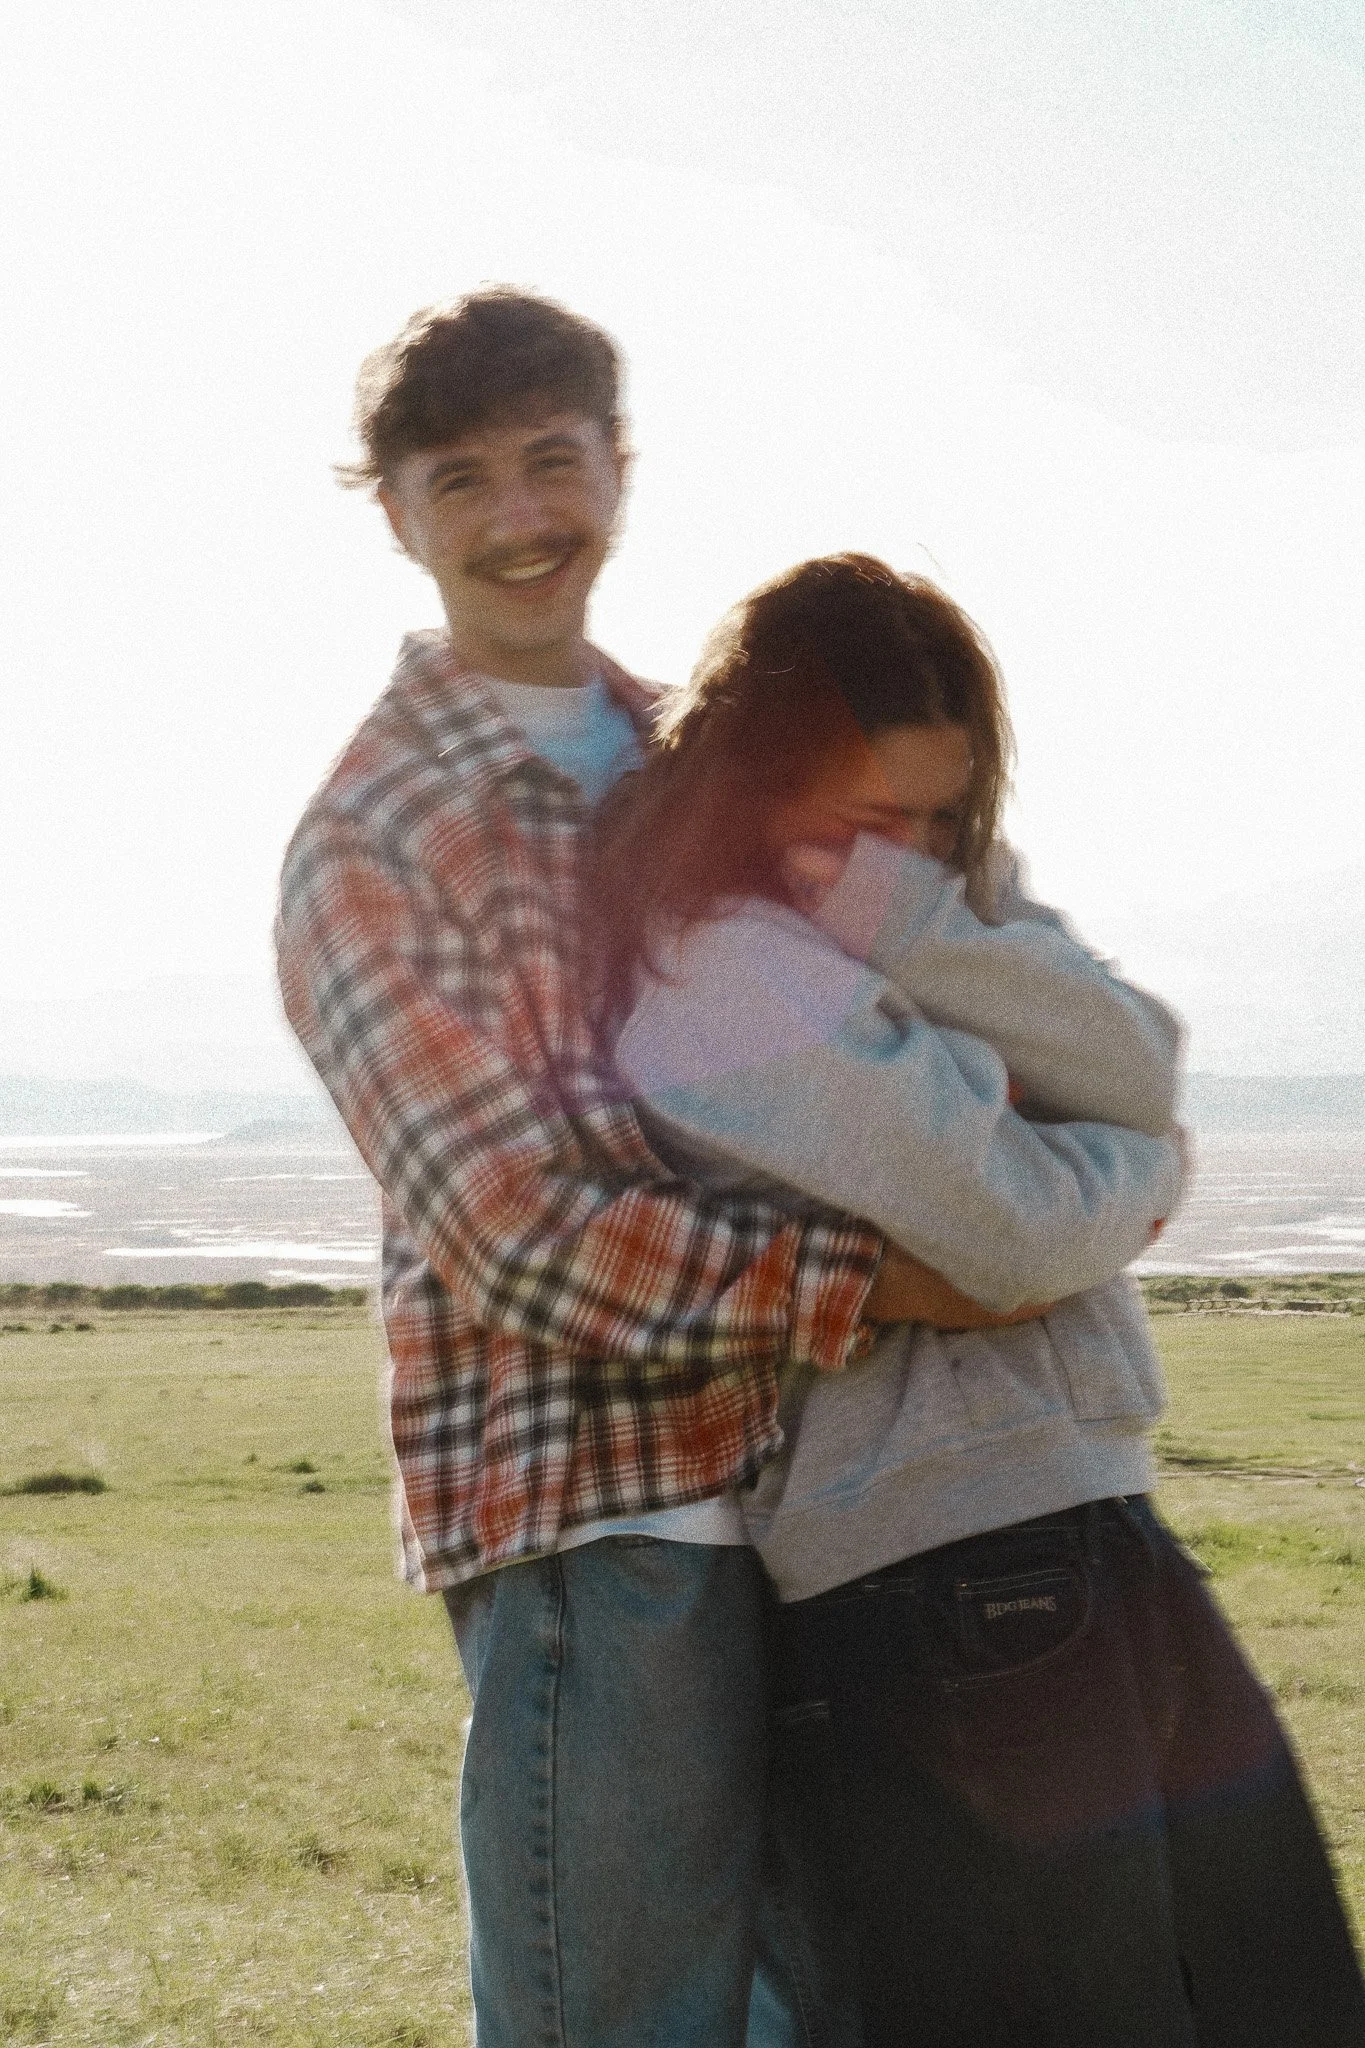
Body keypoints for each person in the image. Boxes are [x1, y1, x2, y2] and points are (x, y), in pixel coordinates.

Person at [276, 293, 994, 2048]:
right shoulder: (372, 839)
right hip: (605, 1524)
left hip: (828, 1502)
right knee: (629, 2022)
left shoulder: (711, 759)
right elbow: (513, 1231)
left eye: (553, 459)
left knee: (843, 2011)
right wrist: (881, 1282)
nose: (522, 516)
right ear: (396, 517)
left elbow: (888, 1024)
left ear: (619, 466)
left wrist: (1055, 1166)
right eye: (462, 479)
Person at [596, 552, 1365, 2046]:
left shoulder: (920, 918)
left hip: (1084, 1527)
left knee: (1285, 2008)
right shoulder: (720, 978)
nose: (909, 857)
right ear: (756, 786)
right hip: (936, 1576)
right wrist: (1137, 1177)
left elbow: (1137, 1065)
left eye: (941, 820)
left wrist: (918, 927)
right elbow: (1014, 1230)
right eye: (866, 819)